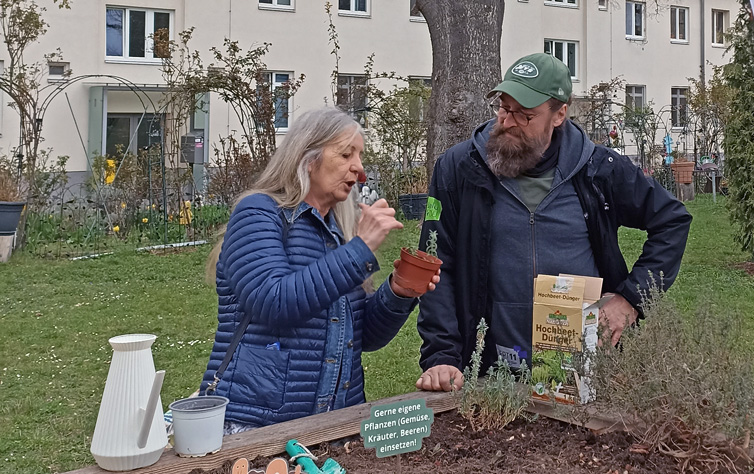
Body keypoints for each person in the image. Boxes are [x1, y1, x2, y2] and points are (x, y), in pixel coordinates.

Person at [415, 53, 692, 392]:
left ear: (559, 114)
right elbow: (434, 264)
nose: (508, 121)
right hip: (489, 373)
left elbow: (672, 221)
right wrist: (442, 354)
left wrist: (631, 299)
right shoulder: (459, 169)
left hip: (583, 371)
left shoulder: (598, 169)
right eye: (503, 107)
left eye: (524, 114)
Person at [200, 106, 438, 431]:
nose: (359, 168)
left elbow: (362, 337)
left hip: (333, 426)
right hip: (257, 426)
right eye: (346, 154)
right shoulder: (258, 213)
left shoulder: (337, 233)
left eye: (359, 156)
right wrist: (360, 248)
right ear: (308, 158)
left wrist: (399, 291)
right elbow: (274, 302)